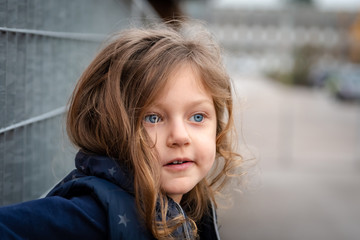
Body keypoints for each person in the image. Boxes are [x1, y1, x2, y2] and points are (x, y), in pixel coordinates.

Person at [0, 21, 242, 239]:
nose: (180, 136)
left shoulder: (195, 205)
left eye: (197, 117)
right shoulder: (93, 213)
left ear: (217, 131)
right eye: (152, 118)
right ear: (109, 125)